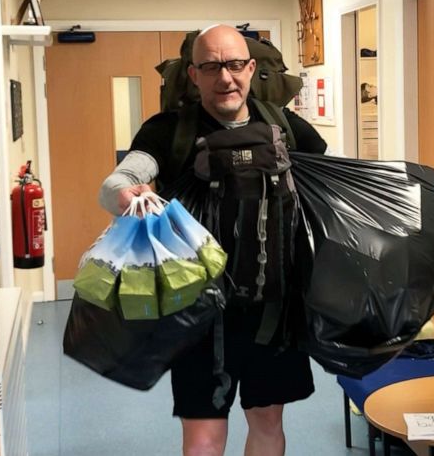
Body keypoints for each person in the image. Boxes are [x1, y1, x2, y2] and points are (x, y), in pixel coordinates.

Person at [100, 25, 328, 456]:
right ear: (193, 74)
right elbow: (119, 181)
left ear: (252, 67)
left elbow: (340, 188)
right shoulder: (169, 131)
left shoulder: (286, 126)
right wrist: (124, 195)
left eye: (235, 65)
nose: (226, 78)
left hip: (274, 309)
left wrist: (431, 216)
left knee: (267, 421)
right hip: (198, 314)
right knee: (205, 436)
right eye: (212, 67)